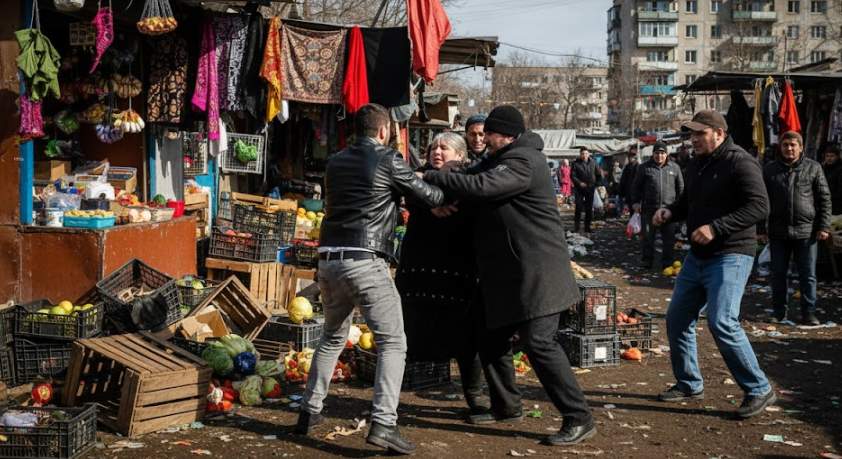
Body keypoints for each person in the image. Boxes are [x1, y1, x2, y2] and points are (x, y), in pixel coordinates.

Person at [424, 105, 596, 446]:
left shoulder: (522, 161)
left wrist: (434, 176)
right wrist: (453, 168)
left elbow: (484, 185)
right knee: (488, 337)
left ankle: (579, 418)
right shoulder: (503, 156)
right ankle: (507, 406)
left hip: (538, 273)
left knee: (539, 343)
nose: (483, 138)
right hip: (508, 276)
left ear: (507, 135)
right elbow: (475, 171)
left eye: (489, 133)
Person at [294, 103, 445, 455]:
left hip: (328, 261)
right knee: (393, 343)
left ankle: (308, 412)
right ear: (383, 131)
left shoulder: (335, 162)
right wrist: (431, 187)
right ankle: (384, 423)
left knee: (331, 337)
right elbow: (431, 197)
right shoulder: (389, 159)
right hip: (365, 262)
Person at [653, 109, 776, 418]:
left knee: (722, 321)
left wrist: (717, 227)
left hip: (732, 254)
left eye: (700, 133)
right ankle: (689, 383)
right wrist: (670, 211)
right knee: (677, 319)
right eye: (691, 134)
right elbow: (689, 203)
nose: (693, 139)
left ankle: (759, 388)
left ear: (719, 134)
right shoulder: (696, 164)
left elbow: (760, 206)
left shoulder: (740, 162)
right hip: (698, 256)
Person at [395, 132, 515, 424]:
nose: (437, 151)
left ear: (460, 156)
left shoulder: (472, 178)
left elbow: (481, 205)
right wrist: (429, 200)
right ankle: (389, 401)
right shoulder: (418, 178)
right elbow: (403, 190)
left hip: (458, 271)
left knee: (466, 340)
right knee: (405, 337)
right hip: (420, 269)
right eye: (434, 147)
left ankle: (475, 397)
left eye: (444, 148)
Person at [757, 131, 831, 325]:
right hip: (778, 231)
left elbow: (824, 198)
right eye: (785, 145)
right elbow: (761, 202)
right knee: (779, 274)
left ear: (800, 147)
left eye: (793, 145)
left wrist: (824, 226)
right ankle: (779, 311)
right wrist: (760, 230)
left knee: (808, 275)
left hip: (806, 232)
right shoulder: (770, 170)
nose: (789, 148)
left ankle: (809, 313)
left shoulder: (813, 168)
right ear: (780, 147)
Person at [631, 141, 684, 269]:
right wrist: (636, 203)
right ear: (653, 154)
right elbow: (636, 187)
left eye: (662, 153)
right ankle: (647, 261)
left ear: (666, 154)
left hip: (669, 209)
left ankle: (667, 262)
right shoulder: (644, 167)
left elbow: (681, 188)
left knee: (669, 238)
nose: (659, 156)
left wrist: (679, 206)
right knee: (648, 237)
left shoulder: (674, 167)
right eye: (657, 153)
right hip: (649, 209)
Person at [570, 147, 603, 233]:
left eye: (586, 154)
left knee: (589, 209)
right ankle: (576, 228)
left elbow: (599, 175)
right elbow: (572, 176)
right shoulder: (575, 163)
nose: (584, 156)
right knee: (579, 208)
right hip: (579, 189)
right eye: (582, 154)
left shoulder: (593, 163)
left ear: (588, 154)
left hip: (590, 189)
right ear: (580, 155)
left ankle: (587, 227)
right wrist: (579, 183)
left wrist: (595, 184)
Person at [618, 146, 640, 218]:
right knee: (631, 208)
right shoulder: (628, 166)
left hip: (635, 191)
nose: (630, 159)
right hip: (628, 190)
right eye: (629, 157)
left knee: (635, 208)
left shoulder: (638, 166)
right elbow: (623, 179)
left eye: (632, 157)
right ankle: (632, 222)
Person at [822, 146, 842, 215]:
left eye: (832, 156)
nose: (829, 158)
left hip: (836, 205)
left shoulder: (840, 170)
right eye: (827, 156)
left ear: (837, 157)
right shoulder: (823, 168)